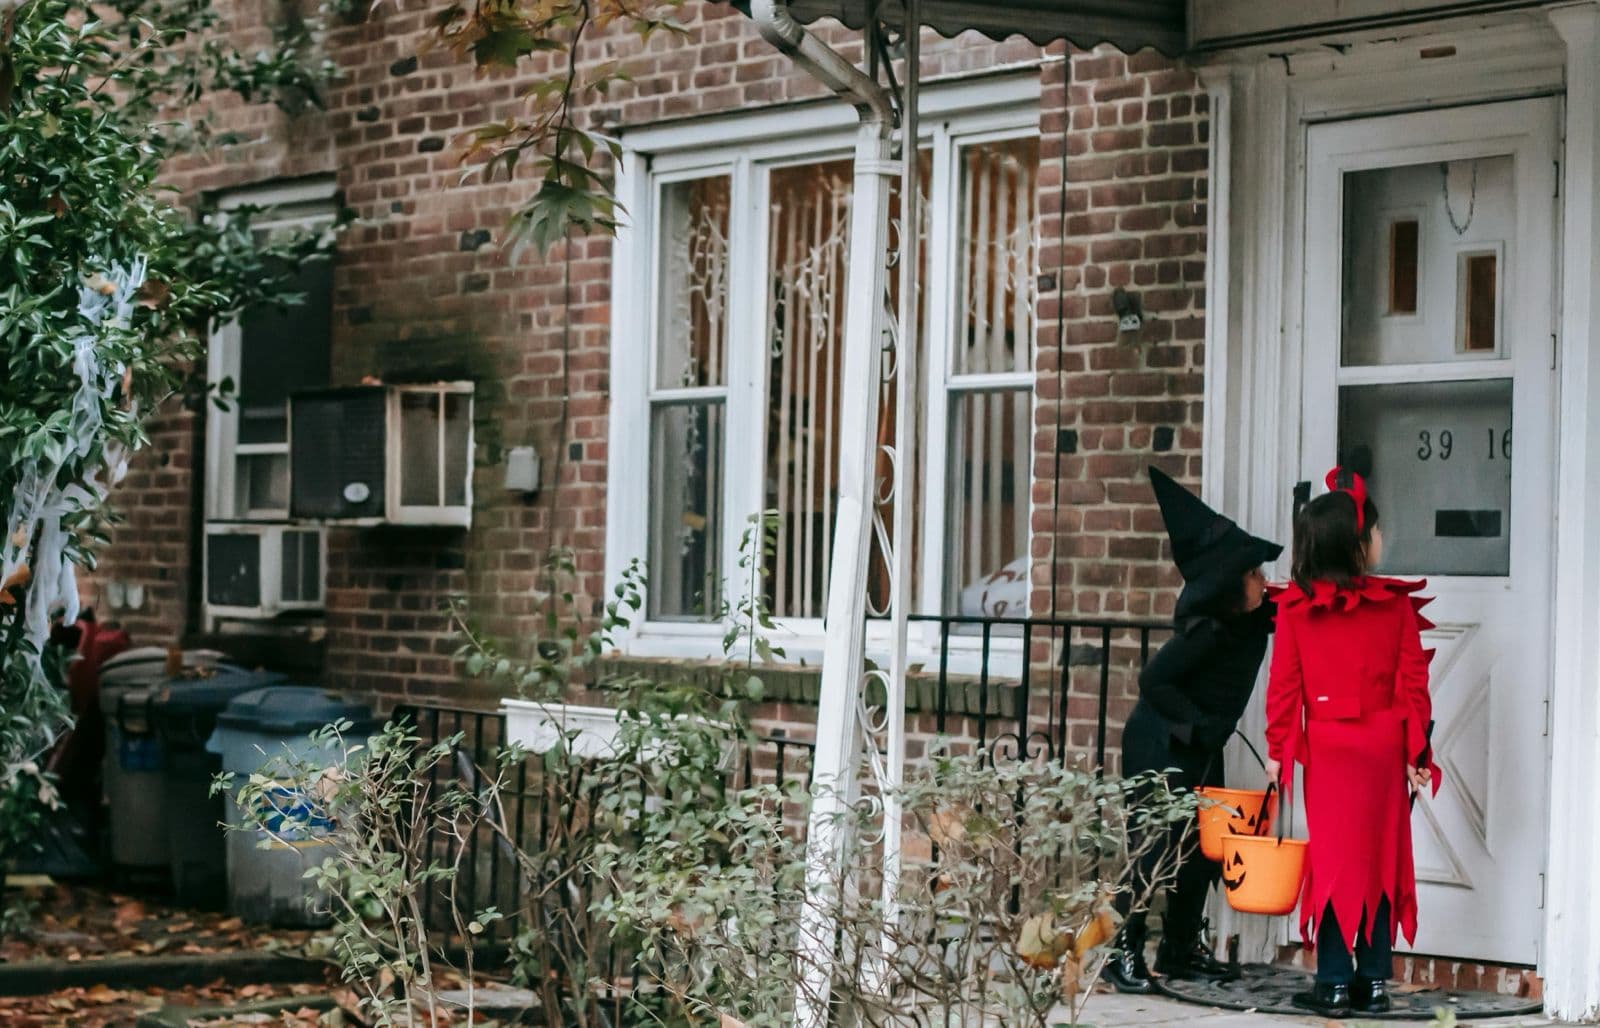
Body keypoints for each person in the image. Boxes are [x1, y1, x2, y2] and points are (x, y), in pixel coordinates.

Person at [1264, 467, 1440, 1017]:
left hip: (1331, 750)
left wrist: (1277, 753)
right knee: (1381, 858)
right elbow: (1414, 685)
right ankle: (1375, 983)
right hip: (1383, 747)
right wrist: (1418, 754)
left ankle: (1334, 983)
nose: (1383, 539)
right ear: (1359, 544)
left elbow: (1285, 686)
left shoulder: (1295, 610)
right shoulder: (1395, 607)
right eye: (1377, 531)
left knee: (1338, 860)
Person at [1104, 467, 1282, 994]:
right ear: (1230, 584)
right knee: (1156, 846)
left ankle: (1180, 948)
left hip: (1201, 746)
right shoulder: (1206, 631)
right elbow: (1153, 680)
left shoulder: (1252, 618)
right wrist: (1199, 725)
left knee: (1205, 849)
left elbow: (1291, 604)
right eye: (1253, 574)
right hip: (1161, 742)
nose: (1263, 581)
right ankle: (1122, 951)